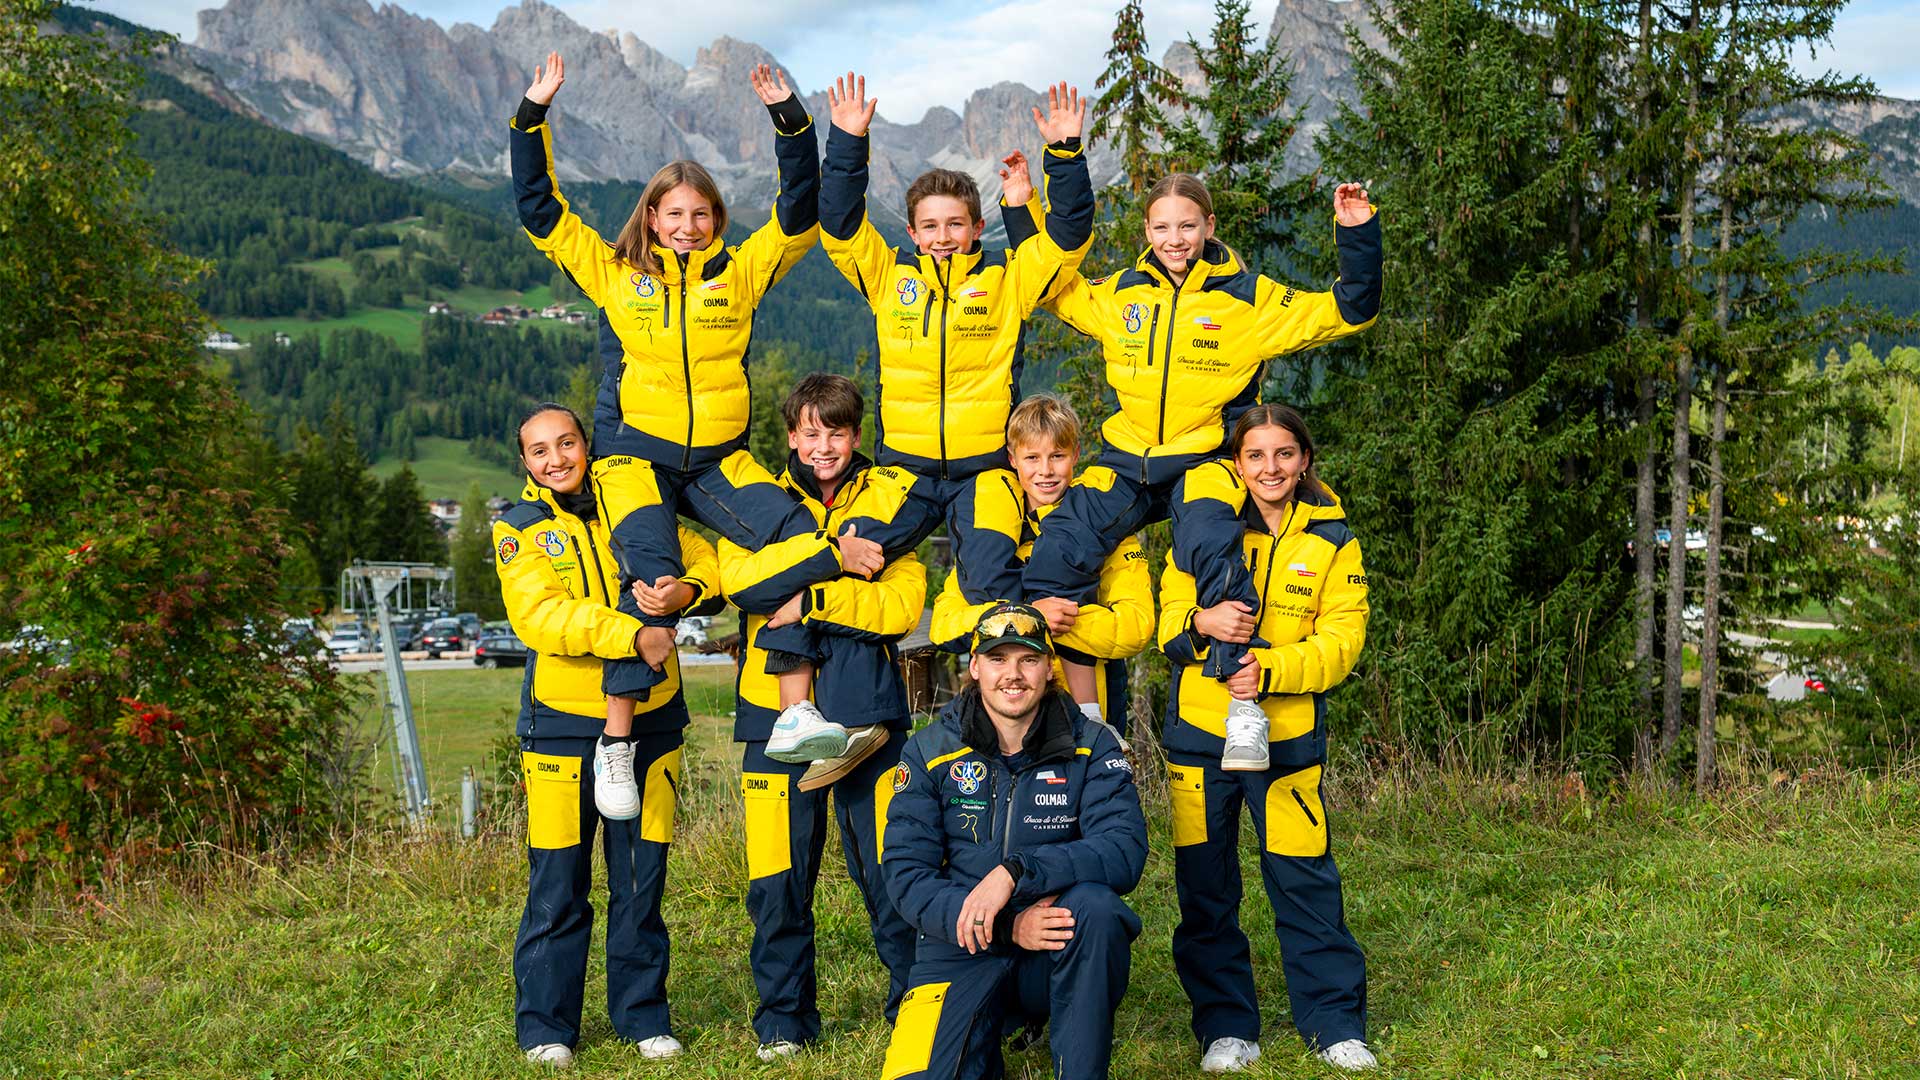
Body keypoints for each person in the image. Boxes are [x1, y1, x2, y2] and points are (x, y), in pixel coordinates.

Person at [511, 51, 885, 776]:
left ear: (716, 219)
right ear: (652, 218)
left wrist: (790, 121)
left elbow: (798, 211)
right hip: (635, 459)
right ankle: (617, 743)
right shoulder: (616, 274)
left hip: (718, 461)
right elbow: (540, 210)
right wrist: (533, 115)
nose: (688, 226)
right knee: (653, 580)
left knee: (800, 536)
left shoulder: (740, 273)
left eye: (701, 214)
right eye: (675, 214)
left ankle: (795, 715)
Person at [1001, 169, 1381, 772]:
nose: (1174, 239)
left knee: (1212, 546)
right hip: (1128, 457)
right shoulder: (1122, 292)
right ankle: (1082, 715)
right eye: (1161, 227)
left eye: (1186, 226)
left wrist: (1357, 232)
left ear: (1209, 226)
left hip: (1204, 456)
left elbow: (1350, 309)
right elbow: (1047, 286)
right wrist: (1020, 209)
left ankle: (1244, 709)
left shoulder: (1250, 299)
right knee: (1058, 546)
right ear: (1146, 230)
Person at [814, 72, 1104, 706]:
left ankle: (1019, 720)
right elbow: (837, 224)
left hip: (984, 474)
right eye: (930, 226)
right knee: (849, 561)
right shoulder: (888, 278)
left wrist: (1064, 153)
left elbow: (1068, 238)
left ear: (977, 228)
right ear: (912, 233)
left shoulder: (1007, 279)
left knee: (992, 591)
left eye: (955, 224)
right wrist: (848, 141)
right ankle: (855, 716)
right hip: (904, 471)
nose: (942, 237)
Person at [493, 402, 725, 1067]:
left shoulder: (635, 504)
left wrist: (684, 592)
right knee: (558, 883)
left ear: (586, 445)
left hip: (654, 718)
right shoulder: (518, 527)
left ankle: (643, 1018)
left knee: (640, 879)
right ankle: (546, 1029)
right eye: (540, 450)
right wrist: (633, 633)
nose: (556, 459)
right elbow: (541, 618)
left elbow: (708, 560)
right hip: (561, 726)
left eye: (566, 443)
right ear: (525, 462)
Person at [1156, 405, 1375, 1072]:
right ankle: (1226, 1028)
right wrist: (1202, 622)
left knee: (1303, 880)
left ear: (1304, 460)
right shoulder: (1205, 526)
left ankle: (1334, 1024)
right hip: (1200, 736)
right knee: (1206, 886)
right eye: (1256, 455)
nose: (1270, 468)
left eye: (1284, 453)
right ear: (1237, 463)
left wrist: (1271, 668)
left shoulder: (1333, 539)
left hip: (1287, 740)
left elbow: (1343, 643)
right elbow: (1167, 625)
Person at [716, 374, 926, 1060]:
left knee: (894, 874)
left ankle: (915, 1011)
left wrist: (808, 599)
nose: (824, 446)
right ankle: (784, 1023)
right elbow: (741, 585)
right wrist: (834, 559)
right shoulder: (757, 502)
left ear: (856, 435)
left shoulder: (889, 497)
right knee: (777, 882)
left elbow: (900, 608)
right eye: (810, 433)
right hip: (773, 722)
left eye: (836, 432)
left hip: (871, 721)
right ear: (791, 436)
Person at [880, 602, 1147, 1080]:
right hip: (961, 944)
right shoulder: (927, 751)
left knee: (1097, 910)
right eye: (998, 659)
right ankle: (988, 1030)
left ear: (1049, 668)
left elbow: (1123, 849)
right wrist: (1006, 924)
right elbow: (905, 875)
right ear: (975, 667)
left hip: (1051, 938)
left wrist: (1017, 871)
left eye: (1028, 659)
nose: (1013, 675)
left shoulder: (1092, 744)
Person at [929, 394, 1152, 743]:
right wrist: (1029, 615)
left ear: (1076, 455)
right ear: (1012, 459)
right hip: (1004, 719)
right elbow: (943, 625)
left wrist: (1057, 618)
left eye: (1057, 456)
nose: (1045, 471)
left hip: (1089, 716)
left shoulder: (1106, 530)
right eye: (1032, 458)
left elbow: (1135, 626)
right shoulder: (988, 537)